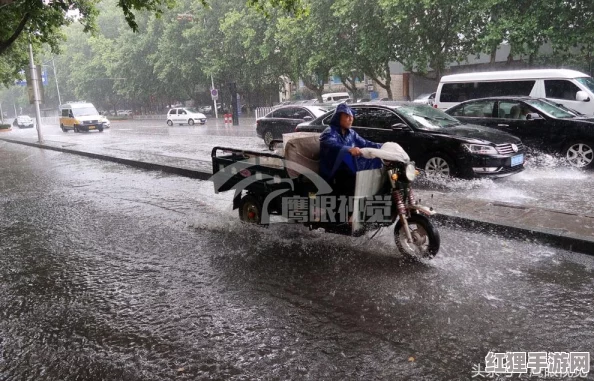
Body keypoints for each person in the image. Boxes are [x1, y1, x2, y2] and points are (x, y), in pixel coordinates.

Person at [319, 103, 382, 197]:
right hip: (333, 170)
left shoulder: (351, 133)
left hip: (347, 168)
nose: (351, 119)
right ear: (338, 117)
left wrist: (383, 146)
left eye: (351, 116)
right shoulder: (329, 132)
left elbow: (365, 143)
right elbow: (332, 144)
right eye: (347, 116)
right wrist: (349, 149)